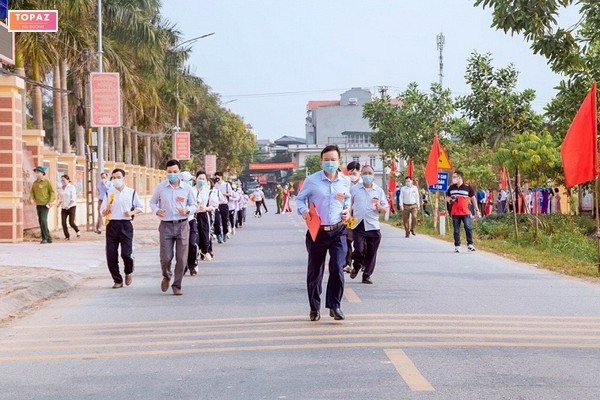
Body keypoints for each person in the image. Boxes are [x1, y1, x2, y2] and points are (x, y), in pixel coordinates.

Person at [296, 144, 351, 322]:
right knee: (315, 271)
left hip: (338, 230)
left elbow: (347, 199)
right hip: (317, 232)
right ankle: (314, 307)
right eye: (326, 160)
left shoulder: (345, 181)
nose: (330, 163)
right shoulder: (312, 181)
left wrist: (347, 210)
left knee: (337, 268)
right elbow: (300, 198)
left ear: (339, 161)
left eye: (333, 160)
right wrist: (303, 210)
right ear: (321, 161)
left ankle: (335, 306)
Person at [149, 160, 197, 295]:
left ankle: (177, 285)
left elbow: (194, 205)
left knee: (181, 258)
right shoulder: (160, 187)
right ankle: (166, 275)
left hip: (182, 225)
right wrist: (157, 210)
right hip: (166, 226)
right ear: (166, 172)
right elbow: (152, 202)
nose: (172, 174)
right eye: (169, 172)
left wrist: (187, 211)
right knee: (166, 257)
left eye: (175, 172)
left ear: (180, 172)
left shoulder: (187, 189)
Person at [100, 168, 144, 288]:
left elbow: (141, 207)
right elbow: (102, 211)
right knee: (111, 255)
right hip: (112, 225)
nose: (116, 180)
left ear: (124, 178)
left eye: (118, 177)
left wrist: (131, 213)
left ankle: (128, 271)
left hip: (125, 225)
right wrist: (105, 211)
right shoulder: (109, 193)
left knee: (126, 254)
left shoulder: (131, 192)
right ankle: (117, 280)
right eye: (114, 177)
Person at [349, 164, 388, 284]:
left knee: (372, 252)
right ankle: (356, 265)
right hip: (358, 224)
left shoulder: (379, 190)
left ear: (373, 175)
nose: (367, 176)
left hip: (373, 225)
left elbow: (385, 208)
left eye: (369, 173)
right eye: (365, 173)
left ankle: (366, 275)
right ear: (361, 174)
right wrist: (348, 219)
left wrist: (379, 207)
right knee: (359, 249)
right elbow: (348, 206)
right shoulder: (354, 189)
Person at [446, 170, 480, 253]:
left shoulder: (467, 187)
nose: (453, 179)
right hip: (455, 212)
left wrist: (476, 210)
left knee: (468, 227)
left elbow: (473, 198)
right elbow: (447, 197)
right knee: (456, 230)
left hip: (465, 212)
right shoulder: (451, 187)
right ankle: (457, 246)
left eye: (454, 177)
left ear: (459, 178)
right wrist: (451, 200)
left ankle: (470, 245)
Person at [29, 166, 56, 244]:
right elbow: (32, 192)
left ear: (43, 173)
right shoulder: (35, 183)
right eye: (36, 172)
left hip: (45, 204)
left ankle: (45, 238)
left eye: (38, 172)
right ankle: (49, 238)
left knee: (43, 220)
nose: (36, 174)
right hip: (38, 204)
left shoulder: (47, 182)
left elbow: (52, 192)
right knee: (41, 221)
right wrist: (31, 198)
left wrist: (51, 201)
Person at [343, 161, 362, 274]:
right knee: (347, 240)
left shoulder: (364, 183)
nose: (352, 175)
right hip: (348, 215)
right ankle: (347, 263)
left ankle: (360, 262)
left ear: (359, 172)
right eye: (350, 173)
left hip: (360, 216)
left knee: (361, 243)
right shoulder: (344, 182)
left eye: (354, 173)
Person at [180, 171, 200, 276]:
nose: (191, 182)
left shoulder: (193, 191)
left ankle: (193, 265)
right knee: (182, 246)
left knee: (192, 244)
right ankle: (183, 266)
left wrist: (188, 210)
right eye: (190, 180)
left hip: (191, 221)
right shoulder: (176, 191)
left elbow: (195, 205)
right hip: (180, 223)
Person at [195, 170, 216, 262]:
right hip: (192, 216)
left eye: (203, 179)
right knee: (194, 237)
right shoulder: (191, 190)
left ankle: (204, 250)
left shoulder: (208, 192)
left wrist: (206, 208)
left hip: (203, 215)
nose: (201, 180)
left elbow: (214, 206)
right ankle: (195, 254)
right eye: (199, 178)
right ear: (196, 179)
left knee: (204, 235)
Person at [57, 174, 80, 240]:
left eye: (64, 180)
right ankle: (67, 236)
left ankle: (77, 230)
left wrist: (69, 205)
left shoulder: (71, 187)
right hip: (64, 207)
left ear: (68, 180)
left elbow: (73, 198)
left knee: (71, 222)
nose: (63, 182)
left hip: (71, 206)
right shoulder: (61, 188)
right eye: (61, 180)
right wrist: (59, 204)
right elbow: (61, 198)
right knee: (63, 222)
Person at [213, 172, 232, 243]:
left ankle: (225, 233)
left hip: (224, 204)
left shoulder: (226, 185)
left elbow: (230, 194)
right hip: (216, 205)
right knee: (217, 221)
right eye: (215, 177)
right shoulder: (215, 185)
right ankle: (218, 234)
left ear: (221, 177)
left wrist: (224, 193)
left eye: (218, 177)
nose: (216, 178)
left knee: (224, 220)